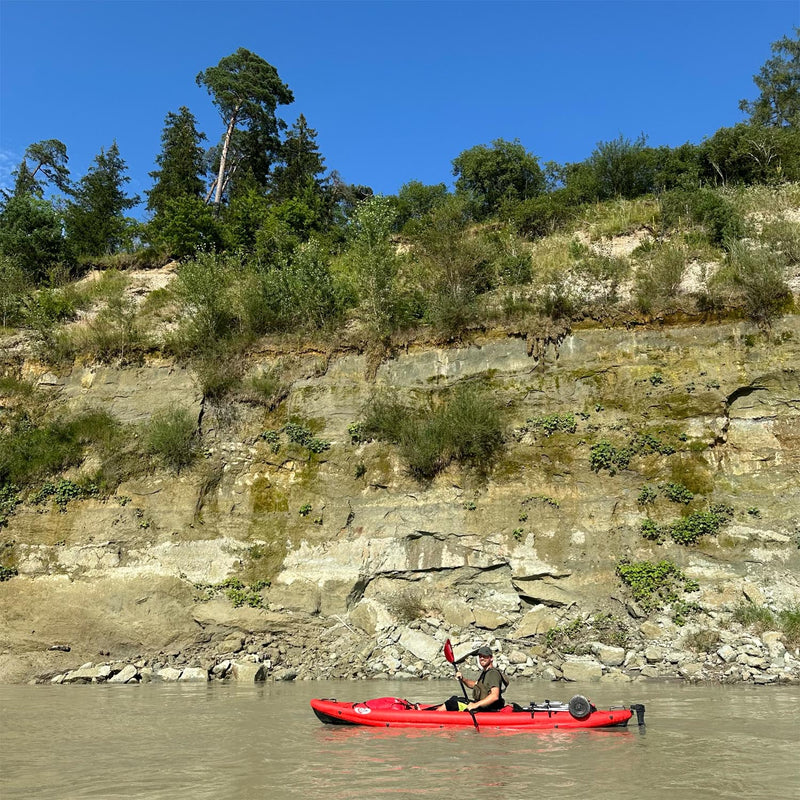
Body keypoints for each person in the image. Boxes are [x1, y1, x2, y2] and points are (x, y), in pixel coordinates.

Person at [436, 645, 508, 712]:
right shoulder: (486, 672)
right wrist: (463, 679)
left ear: (491, 658)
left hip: (488, 709)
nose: (482, 658)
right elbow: (475, 685)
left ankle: (435, 716)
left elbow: (494, 696)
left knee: (452, 703)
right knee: (454, 698)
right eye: (480, 656)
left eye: (485, 656)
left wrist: (475, 705)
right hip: (484, 706)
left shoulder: (492, 673)